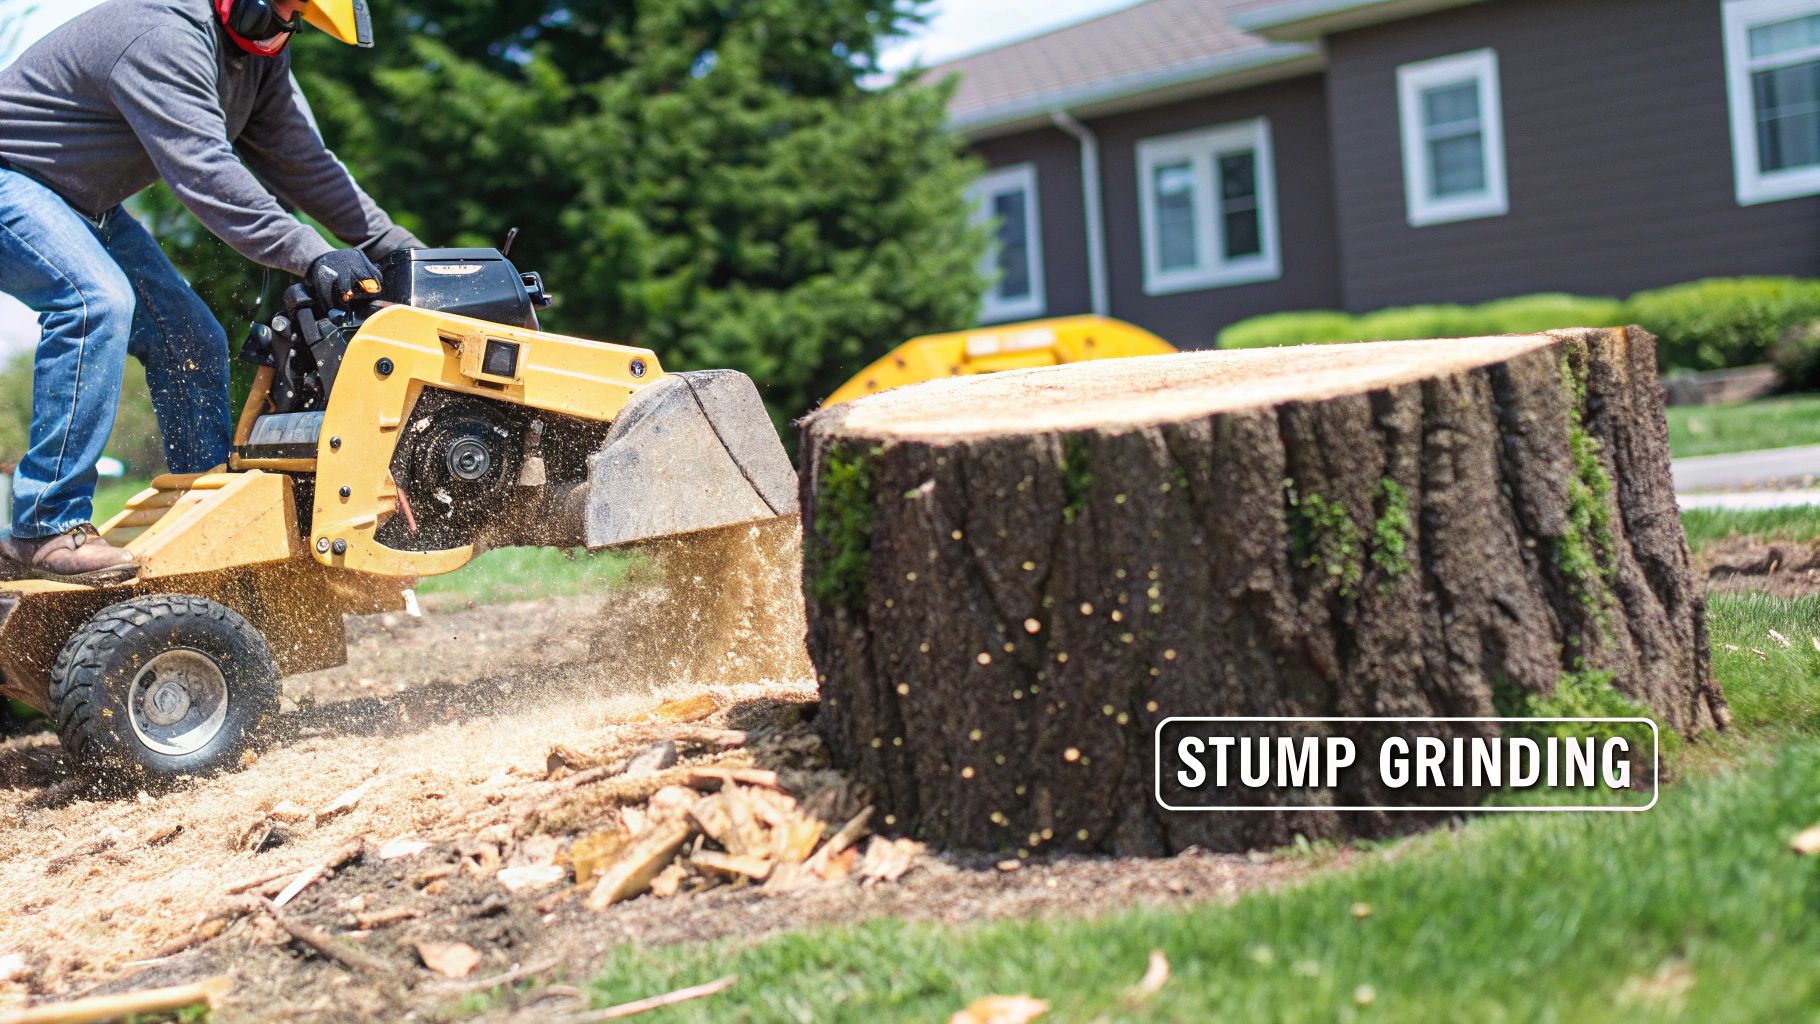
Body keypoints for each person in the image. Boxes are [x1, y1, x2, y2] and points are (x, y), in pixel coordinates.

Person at [0, 0, 420, 582]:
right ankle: (45, 527)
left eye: (295, 20)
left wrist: (406, 255)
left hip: (81, 203)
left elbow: (305, 163)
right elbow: (204, 171)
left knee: (189, 337)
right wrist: (312, 254)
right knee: (96, 302)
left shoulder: (259, 55)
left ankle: (213, 533)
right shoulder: (161, 36)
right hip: (11, 179)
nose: (283, 29)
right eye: (279, 12)